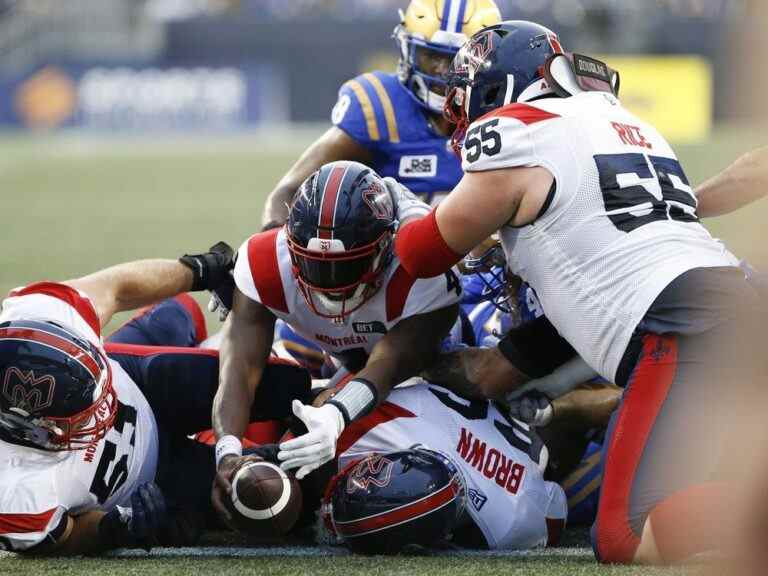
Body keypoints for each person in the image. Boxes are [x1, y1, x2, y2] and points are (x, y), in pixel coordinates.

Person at [393, 20, 765, 564]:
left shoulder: (516, 133)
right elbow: (501, 366)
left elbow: (420, 252)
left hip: (680, 326)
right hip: (724, 303)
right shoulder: (622, 121)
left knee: (624, 536)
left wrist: (392, 207)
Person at [0, 246, 309, 555]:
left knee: (184, 317)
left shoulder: (39, 315)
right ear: (27, 427)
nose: (106, 410)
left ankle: (201, 349)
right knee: (274, 494)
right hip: (153, 478)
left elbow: (116, 288)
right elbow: (66, 536)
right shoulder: (14, 490)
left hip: (137, 383)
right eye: (84, 416)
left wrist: (203, 269)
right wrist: (115, 528)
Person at [211, 161, 461, 527]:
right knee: (267, 397)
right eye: (315, 266)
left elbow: (386, 369)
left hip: (419, 373)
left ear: (386, 247)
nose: (330, 283)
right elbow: (239, 373)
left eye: (347, 266)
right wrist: (227, 452)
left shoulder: (419, 273)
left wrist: (335, 413)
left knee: (328, 466)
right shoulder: (266, 261)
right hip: (332, 352)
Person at [260, 0, 502, 232]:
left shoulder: (502, 113)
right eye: (431, 56)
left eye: (455, 60)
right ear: (409, 49)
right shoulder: (381, 107)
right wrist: (275, 247)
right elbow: (289, 192)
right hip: (397, 267)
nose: (441, 70)